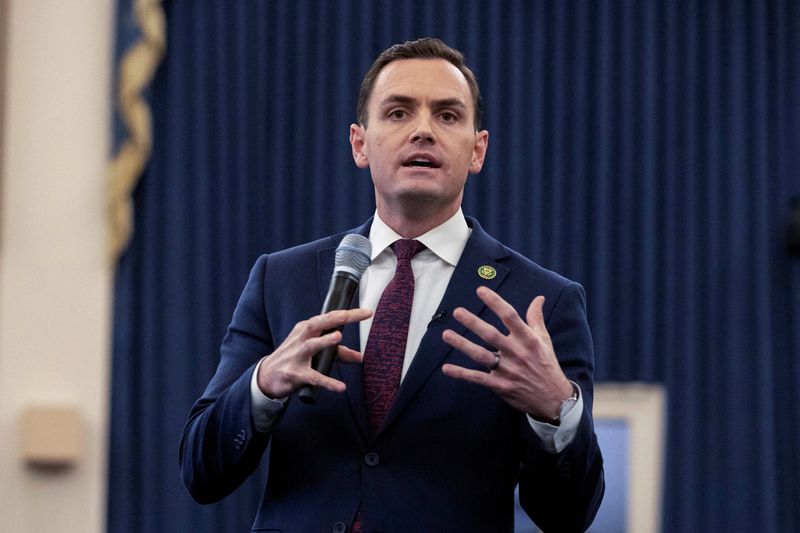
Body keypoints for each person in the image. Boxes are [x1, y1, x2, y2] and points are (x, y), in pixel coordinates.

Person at [180, 37, 604, 532]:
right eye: (399, 112)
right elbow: (200, 472)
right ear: (360, 143)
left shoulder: (540, 303)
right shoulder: (283, 280)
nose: (423, 130)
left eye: (447, 116)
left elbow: (568, 516)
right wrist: (263, 385)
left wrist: (557, 411)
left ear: (477, 150)